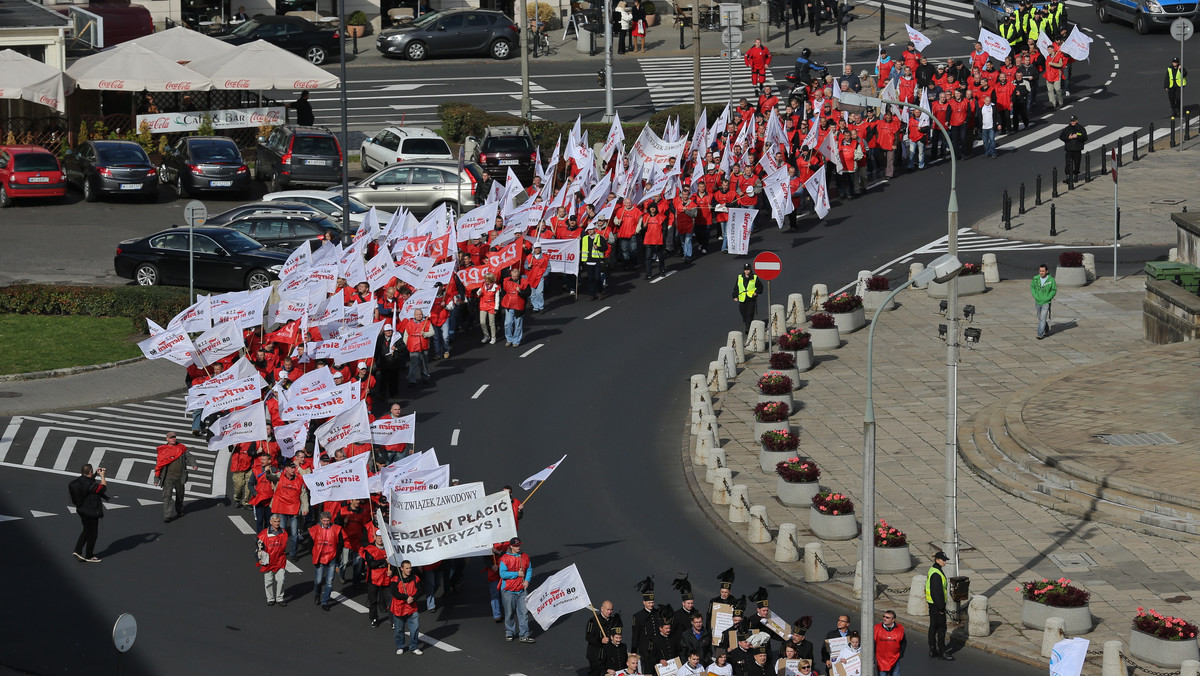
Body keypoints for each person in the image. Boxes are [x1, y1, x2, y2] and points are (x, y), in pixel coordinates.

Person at [154, 432, 196, 523]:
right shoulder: (164, 450)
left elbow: (189, 457)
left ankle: (179, 510)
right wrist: (156, 479)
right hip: (168, 477)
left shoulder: (181, 448)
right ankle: (167, 515)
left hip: (180, 477)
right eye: (171, 437)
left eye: (174, 437)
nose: (173, 439)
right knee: (167, 496)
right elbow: (159, 465)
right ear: (167, 439)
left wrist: (194, 464)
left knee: (180, 496)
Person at [69, 463, 107, 563]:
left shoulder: (80, 480)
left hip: (82, 510)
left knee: (86, 530)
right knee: (93, 533)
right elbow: (102, 489)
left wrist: (95, 474)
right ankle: (88, 555)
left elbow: (89, 481)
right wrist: (102, 476)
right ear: (89, 472)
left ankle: (78, 551)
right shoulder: (90, 485)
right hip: (91, 511)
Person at [499, 537, 534, 643]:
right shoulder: (505, 558)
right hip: (508, 591)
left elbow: (529, 569)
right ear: (511, 546)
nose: (518, 547)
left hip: (521, 590)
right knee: (509, 613)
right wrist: (517, 574)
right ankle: (509, 632)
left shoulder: (524, 556)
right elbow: (503, 574)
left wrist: (527, 581)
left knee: (523, 613)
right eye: (516, 546)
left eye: (519, 545)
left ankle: (524, 634)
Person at [309, 510, 343, 611]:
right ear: (320, 520)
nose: (326, 522)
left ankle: (325, 601)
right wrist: (314, 553)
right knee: (318, 580)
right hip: (319, 558)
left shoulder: (336, 529)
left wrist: (337, 556)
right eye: (324, 520)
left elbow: (341, 543)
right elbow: (310, 543)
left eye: (328, 520)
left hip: (332, 558)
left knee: (329, 581)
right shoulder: (314, 529)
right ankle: (317, 593)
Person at [391, 559, 423, 655]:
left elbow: (420, 590)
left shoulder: (415, 578)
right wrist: (406, 598)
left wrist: (413, 598)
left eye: (410, 568)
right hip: (399, 608)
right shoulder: (395, 579)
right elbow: (395, 593)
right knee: (399, 629)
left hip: (412, 607)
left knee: (415, 628)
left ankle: (413, 646)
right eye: (407, 568)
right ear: (401, 569)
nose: (409, 570)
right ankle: (400, 646)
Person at [926, 551, 954, 660]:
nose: (945, 562)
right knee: (942, 628)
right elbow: (937, 593)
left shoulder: (933, 570)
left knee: (933, 627)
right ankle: (942, 651)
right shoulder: (937, 574)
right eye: (943, 560)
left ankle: (932, 649)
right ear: (937, 560)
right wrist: (941, 608)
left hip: (932, 605)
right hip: (937, 606)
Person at [257, 514, 288, 606]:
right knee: (268, 581)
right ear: (270, 522)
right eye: (275, 521)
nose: (277, 523)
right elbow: (258, 548)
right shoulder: (263, 535)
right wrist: (259, 559)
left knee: (281, 579)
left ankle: (279, 598)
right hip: (268, 561)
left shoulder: (284, 533)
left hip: (280, 560)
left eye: (278, 521)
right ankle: (270, 598)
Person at [501, 266, 530, 347]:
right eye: (512, 276)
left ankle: (516, 340)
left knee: (518, 325)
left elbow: (528, 293)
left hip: (518, 306)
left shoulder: (524, 282)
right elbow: (504, 290)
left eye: (515, 277)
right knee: (508, 323)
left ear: (518, 275)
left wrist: (520, 291)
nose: (514, 278)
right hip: (509, 304)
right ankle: (509, 339)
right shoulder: (506, 280)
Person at [732, 263, 763, 336]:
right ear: (744, 270)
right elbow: (736, 288)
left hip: (751, 299)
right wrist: (735, 296)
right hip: (742, 299)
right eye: (745, 270)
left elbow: (760, 287)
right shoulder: (739, 277)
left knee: (749, 313)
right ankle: (747, 323)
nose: (747, 271)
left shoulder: (754, 277)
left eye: (748, 270)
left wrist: (756, 292)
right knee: (743, 313)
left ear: (750, 270)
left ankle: (748, 327)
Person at [586, 600, 616, 676]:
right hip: (596, 654)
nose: (609, 612)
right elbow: (588, 637)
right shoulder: (593, 621)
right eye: (607, 609)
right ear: (602, 609)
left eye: (611, 609)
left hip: (608, 654)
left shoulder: (613, 621)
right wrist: (600, 640)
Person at [874, 609, 907, 676]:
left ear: (893, 620)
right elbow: (873, 643)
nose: (884, 619)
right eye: (884, 616)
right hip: (881, 660)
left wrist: (900, 654)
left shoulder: (900, 628)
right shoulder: (876, 628)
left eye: (887, 617)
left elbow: (903, 642)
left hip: (895, 658)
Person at [1032, 263, 1057, 340]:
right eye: (1040, 271)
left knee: (1043, 318)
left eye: (1043, 271)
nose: (1041, 273)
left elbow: (1054, 290)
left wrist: (1048, 297)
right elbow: (1032, 288)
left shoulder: (1051, 280)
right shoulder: (1035, 279)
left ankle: (1040, 333)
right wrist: (1035, 296)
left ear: (1046, 271)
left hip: (1046, 302)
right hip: (1038, 301)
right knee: (1040, 318)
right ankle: (1046, 329)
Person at [1058, 115, 1087, 181]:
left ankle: (1076, 176)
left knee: (1077, 164)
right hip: (1069, 149)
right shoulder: (1067, 129)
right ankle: (1068, 177)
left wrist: (1077, 136)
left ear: (1077, 121)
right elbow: (1061, 137)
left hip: (1077, 149)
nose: (1072, 122)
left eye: (1074, 121)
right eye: (1071, 121)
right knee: (1068, 163)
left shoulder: (1081, 129)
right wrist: (1068, 138)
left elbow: (1085, 137)